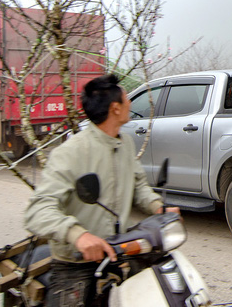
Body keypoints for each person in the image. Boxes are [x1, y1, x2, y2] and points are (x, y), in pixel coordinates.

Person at [25, 73, 178, 306]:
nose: (130, 104)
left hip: (119, 250)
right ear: (116, 108)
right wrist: (79, 235)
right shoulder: (70, 153)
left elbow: (138, 185)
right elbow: (38, 210)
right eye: (127, 100)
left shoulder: (124, 143)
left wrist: (158, 206)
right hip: (75, 261)